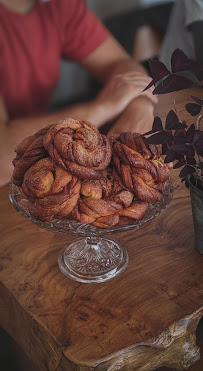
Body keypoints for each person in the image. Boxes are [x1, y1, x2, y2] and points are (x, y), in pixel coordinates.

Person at [0, 0, 158, 187]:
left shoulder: (58, 5)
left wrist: (139, 107)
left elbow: (122, 65)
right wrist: (102, 108)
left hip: (37, 164)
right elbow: (2, 160)